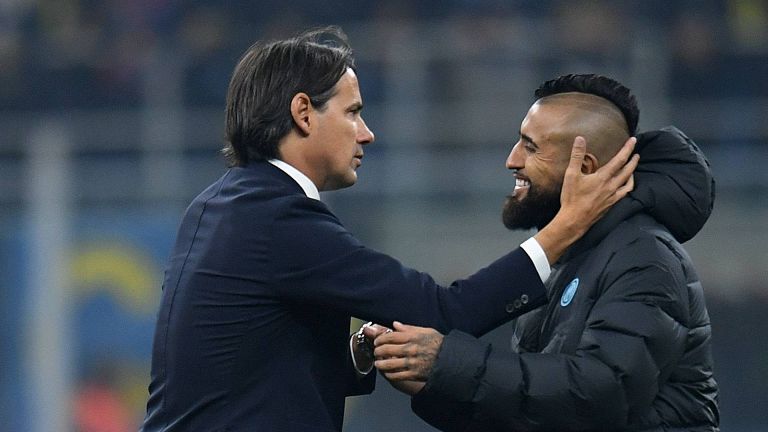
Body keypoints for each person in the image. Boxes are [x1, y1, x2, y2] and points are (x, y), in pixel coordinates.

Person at [140, 27, 639, 432]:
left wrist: (358, 352)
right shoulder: (278, 219)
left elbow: (249, 364)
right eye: (353, 112)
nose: (367, 133)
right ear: (303, 113)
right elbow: (446, 311)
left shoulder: (219, 204)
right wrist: (564, 228)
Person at [373, 74, 719, 432]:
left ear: (585, 167)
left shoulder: (645, 257)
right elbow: (537, 413)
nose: (512, 160)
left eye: (531, 147)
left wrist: (449, 362)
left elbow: (598, 395)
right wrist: (437, 386)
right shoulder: (565, 258)